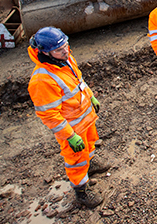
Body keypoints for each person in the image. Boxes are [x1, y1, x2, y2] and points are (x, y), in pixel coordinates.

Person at [27, 27, 104, 208]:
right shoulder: (42, 80)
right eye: (59, 49)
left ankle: (91, 164)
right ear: (45, 52)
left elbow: (78, 80)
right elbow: (49, 115)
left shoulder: (65, 59)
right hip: (72, 127)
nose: (66, 51)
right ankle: (82, 192)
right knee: (76, 160)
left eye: (66, 46)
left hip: (84, 119)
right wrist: (70, 135)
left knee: (90, 145)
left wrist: (90, 95)